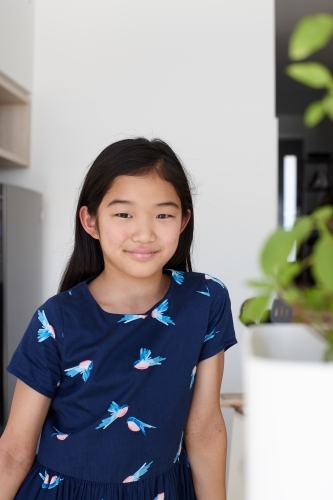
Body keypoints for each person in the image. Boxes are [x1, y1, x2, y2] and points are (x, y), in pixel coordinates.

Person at [0, 138, 237, 500]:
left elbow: (204, 427)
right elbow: (15, 449)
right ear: (90, 221)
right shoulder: (56, 318)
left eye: (163, 214)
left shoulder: (205, 300)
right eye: (124, 214)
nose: (144, 233)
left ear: (184, 220)